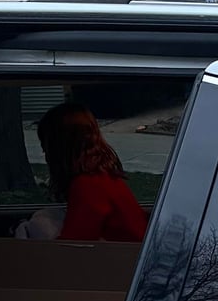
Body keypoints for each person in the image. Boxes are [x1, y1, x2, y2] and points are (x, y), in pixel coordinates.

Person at [37, 102, 148, 242]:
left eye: (46, 146)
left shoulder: (88, 186)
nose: (45, 154)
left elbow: (72, 247)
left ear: (59, 148)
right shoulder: (104, 178)